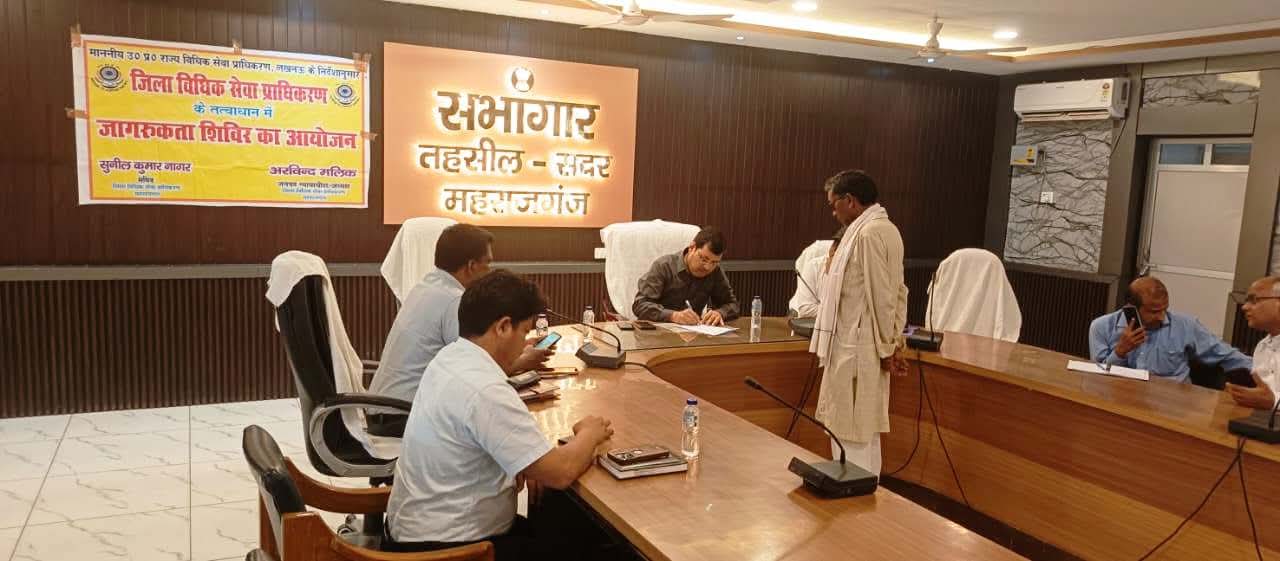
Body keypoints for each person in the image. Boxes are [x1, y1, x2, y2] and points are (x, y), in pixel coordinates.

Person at [385, 270, 615, 561]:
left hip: (416, 533)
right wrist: (590, 433)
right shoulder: (485, 388)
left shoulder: (450, 357)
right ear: (504, 327)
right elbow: (560, 472)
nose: (525, 343)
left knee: (558, 517)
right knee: (594, 540)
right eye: (525, 332)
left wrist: (524, 463)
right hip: (448, 551)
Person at [368, 224, 552, 435]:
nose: (489, 270)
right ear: (471, 266)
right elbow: (475, 373)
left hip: (382, 408)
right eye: (488, 263)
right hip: (402, 416)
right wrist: (524, 361)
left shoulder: (426, 287)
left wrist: (519, 344)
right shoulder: (453, 300)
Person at [809, 170, 908, 476]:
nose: (833, 212)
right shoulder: (886, 229)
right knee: (862, 435)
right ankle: (865, 494)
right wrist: (894, 341)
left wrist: (889, 347)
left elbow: (883, 296)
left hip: (857, 348)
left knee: (850, 435)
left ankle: (855, 497)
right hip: (863, 346)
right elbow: (899, 292)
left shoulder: (867, 234)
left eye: (834, 204)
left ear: (850, 201)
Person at [1088, 276, 1251, 383]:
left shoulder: (1186, 325)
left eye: (1164, 309)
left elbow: (1226, 354)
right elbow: (1098, 379)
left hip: (1174, 405)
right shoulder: (1101, 327)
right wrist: (1120, 352)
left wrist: (1263, 371)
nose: (1161, 316)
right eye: (1154, 311)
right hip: (1122, 400)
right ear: (1131, 308)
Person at [632, 226, 741, 326]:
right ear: (692, 247)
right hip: (657, 334)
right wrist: (673, 316)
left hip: (693, 334)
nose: (707, 267)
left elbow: (733, 304)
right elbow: (640, 305)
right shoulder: (664, 266)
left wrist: (720, 313)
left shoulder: (715, 271)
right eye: (704, 259)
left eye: (714, 262)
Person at [1228, 276, 1280, 409]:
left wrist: (1273, 402)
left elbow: (1270, 400)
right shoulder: (1262, 346)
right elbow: (1263, 395)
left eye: (1254, 300)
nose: (1244, 307)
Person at [789, 228, 844, 319]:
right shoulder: (813, 266)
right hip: (804, 320)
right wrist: (841, 312)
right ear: (832, 249)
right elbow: (805, 310)